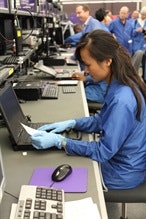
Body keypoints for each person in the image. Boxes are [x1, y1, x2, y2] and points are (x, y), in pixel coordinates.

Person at [31, 30, 146, 190]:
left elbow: (103, 151)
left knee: (51, 178)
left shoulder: (122, 99)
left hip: (121, 172)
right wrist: (72, 123)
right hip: (120, 161)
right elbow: (101, 120)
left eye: (88, 64)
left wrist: (61, 142)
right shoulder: (119, 84)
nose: (85, 70)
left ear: (107, 61)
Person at [108, 6, 143, 73]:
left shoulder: (130, 24)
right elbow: (107, 31)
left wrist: (136, 31)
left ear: (127, 14)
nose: (122, 14)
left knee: (128, 67)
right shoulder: (114, 23)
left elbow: (132, 34)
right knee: (120, 67)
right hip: (118, 49)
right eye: (121, 13)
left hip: (128, 49)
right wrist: (111, 37)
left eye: (124, 13)